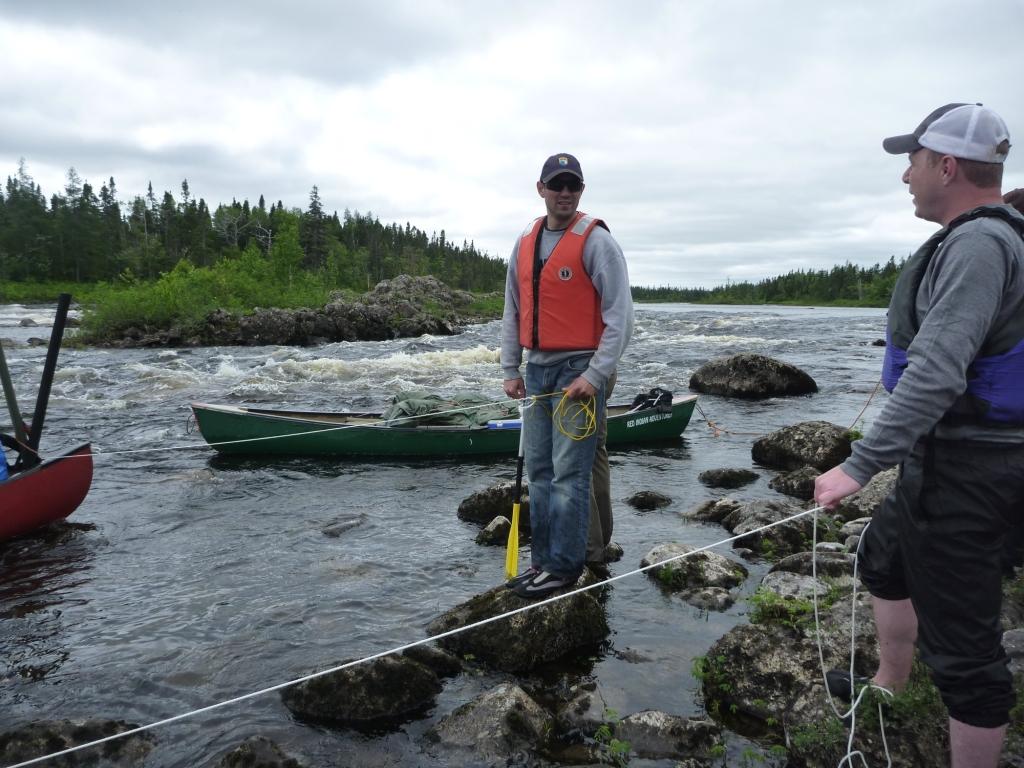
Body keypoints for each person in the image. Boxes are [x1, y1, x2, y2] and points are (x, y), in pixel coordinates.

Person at [814, 103, 1024, 768]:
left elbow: (937, 371)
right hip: (950, 458)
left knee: (966, 654)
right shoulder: (986, 238)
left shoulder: (980, 244)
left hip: (974, 469)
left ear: (947, 165)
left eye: (913, 161)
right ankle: (890, 685)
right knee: (883, 557)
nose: (906, 175)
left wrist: (861, 464)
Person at [501, 152, 634, 600]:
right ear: (540, 188)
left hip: (579, 370)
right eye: (556, 185)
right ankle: (543, 562)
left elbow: (621, 318)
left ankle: (565, 566)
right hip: (537, 370)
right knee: (539, 471)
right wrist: (510, 367)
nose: (564, 193)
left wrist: (595, 376)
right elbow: (513, 309)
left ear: (580, 191)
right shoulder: (524, 242)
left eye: (572, 186)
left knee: (568, 476)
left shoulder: (597, 242)